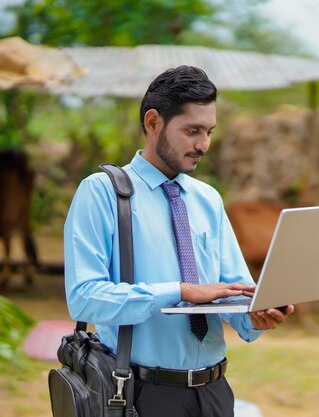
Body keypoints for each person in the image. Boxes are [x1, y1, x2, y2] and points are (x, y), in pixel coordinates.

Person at [64, 65, 294, 417]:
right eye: (192, 131)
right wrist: (180, 291)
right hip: (142, 395)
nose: (203, 144)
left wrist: (260, 314)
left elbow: (237, 293)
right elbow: (84, 299)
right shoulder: (103, 194)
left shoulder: (208, 199)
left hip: (215, 393)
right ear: (153, 122)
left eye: (209, 132)